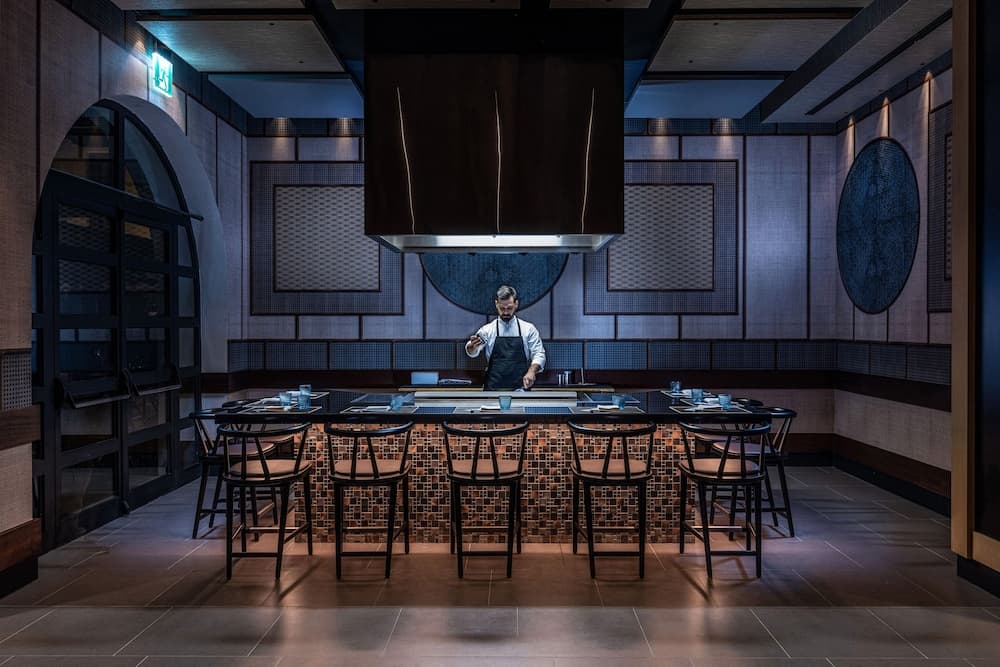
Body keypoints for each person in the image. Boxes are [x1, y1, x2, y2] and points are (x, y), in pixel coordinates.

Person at [465, 285, 546, 391]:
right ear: (496, 304)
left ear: (516, 304)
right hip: (493, 390)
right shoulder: (488, 330)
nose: (506, 312)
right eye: (502, 308)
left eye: (509, 308)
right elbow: (472, 351)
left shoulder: (528, 329)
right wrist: (472, 346)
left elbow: (539, 354)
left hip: (521, 389)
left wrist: (532, 371)